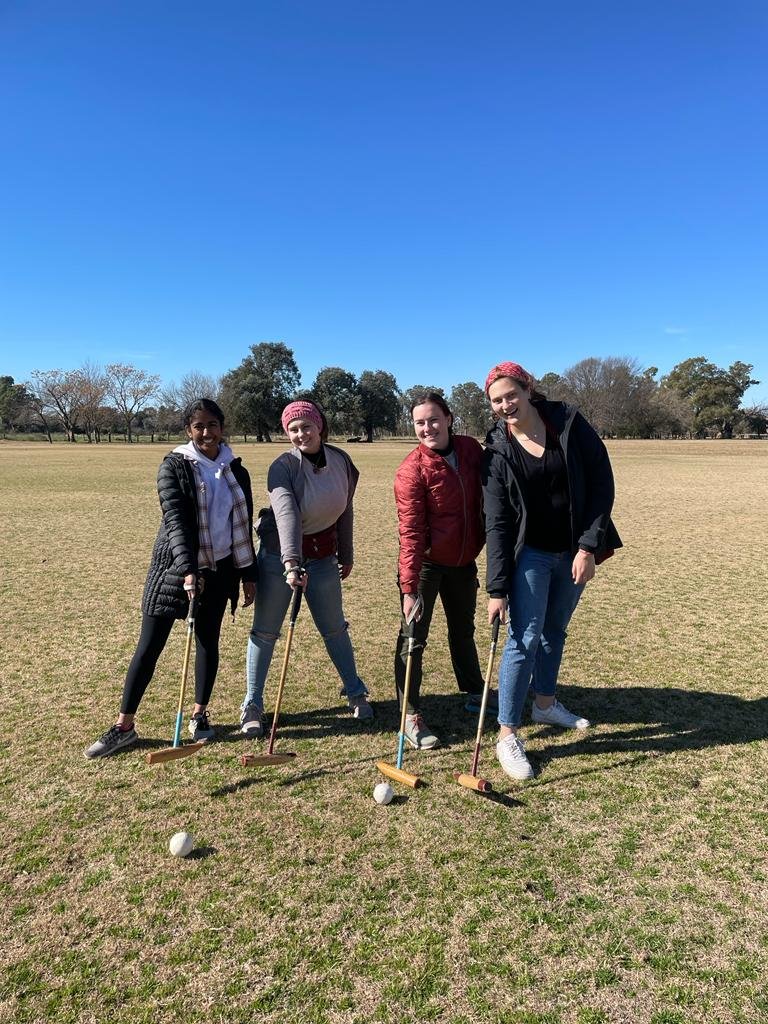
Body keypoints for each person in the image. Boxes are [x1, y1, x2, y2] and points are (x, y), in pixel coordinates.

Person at [85, 399, 257, 759]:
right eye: (199, 426)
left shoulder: (236, 470)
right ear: (188, 431)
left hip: (220, 568)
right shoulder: (174, 467)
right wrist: (187, 569)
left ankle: (199, 715)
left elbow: (241, 525)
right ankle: (124, 726)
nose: (206, 432)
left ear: (222, 426)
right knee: (149, 648)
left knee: (208, 642)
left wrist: (247, 574)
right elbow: (176, 521)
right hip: (173, 570)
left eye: (212, 424)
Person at [482, 361, 622, 781]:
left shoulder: (570, 424)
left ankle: (544, 704)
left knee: (554, 630)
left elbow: (602, 483)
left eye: (511, 395)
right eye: (496, 400)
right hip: (531, 556)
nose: (506, 404)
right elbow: (497, 521)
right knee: (523, 638)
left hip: (573, 552)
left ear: (528, 390)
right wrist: (497, 587)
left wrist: (588, 547)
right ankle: (507, 733)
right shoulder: (497, 450)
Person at [240, 399, 372, 734]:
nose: (301, 434)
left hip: (324, 557)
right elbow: (286, 516)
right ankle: (252, 705)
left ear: (319, 426)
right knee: (266, 631)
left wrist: (347, 552)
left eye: (306, 426)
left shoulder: (341, 460)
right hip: (278, 558)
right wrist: (291, 563)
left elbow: (345, 509)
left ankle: (355, 692)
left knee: (335, 629)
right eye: (293, 429)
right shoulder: (282, 466)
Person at [393, 392, 487, 749]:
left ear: (448, 418)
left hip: (464, 562)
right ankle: (410, 714)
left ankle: (474, 692)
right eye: (420, 422)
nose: (427, 428)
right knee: (413, 639)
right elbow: (411, 533)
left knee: (463, 631)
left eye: (433, 419)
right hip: (427, 568)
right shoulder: (411, 470)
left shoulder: (470, 450)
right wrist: (409, 587)